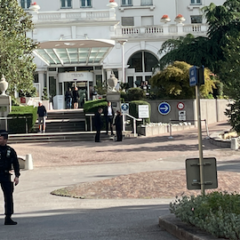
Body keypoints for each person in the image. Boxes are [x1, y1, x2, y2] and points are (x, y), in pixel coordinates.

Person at [0, 130, 20, 225]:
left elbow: (16, 163)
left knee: (8, 196)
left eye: (0, 138)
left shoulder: (10, 151)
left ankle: (8, 217)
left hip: (5, 175)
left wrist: (17, 176)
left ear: (5, 139)